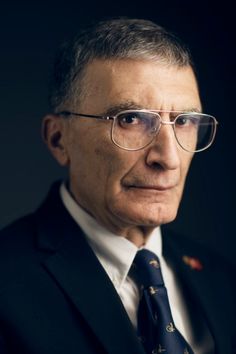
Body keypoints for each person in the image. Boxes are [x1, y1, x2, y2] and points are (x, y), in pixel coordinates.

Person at [0, 18, 235, 354]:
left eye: (184, 122)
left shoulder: (222, 279)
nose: (168, 158)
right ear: (58, 139)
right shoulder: (7, 286)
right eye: (131, 119)